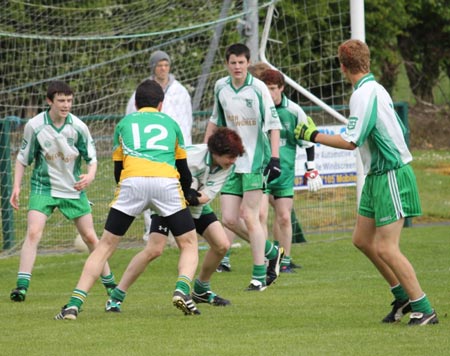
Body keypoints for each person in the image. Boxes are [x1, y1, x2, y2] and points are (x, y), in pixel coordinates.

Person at [294, 39, 438, 326]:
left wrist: (313, 135)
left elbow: (351, 141)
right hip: (377, 176)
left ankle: (424, 308)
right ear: (367, 61)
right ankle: (402, 296)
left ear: (342, 66)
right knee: (361, 240)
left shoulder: (365, 94)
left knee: (386, 248)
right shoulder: (372, 89)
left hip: (391, 174)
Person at [55, 79, 200, 320]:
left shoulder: (124, 123)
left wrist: (128, 195)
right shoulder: (172, 124)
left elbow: (117, 169)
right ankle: (182, 289)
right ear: (161, 104)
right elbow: (183, 170)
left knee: (105, 246)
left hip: (132, 182)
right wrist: (185, 193)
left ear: (135, 103)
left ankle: (73, 305)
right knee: (188, 243)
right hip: (166, 183)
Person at [104, 128, 245, 312]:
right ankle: (116, 297)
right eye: (230, 156)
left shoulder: (228, 167)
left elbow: (206, 196)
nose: (233, 161)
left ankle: (201, 288)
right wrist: (182, 193)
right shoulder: (192, 155)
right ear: (215, 152)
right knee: (154, 250)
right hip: (168, 203)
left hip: (194, 206)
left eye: (235, 156)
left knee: (222, 245)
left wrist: (192, 196)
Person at [9, 81, 116, 302]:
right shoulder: (35, 125)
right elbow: (22, 159)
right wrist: (17, 186)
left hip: (73, 188)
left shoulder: (78, 127)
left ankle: (110, 284)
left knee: (90, 237)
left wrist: (90, 175)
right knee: (33, 232)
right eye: (61, 101)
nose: (66, 105)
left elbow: (92, 159)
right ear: (50, 101)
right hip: (43, 187)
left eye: (69, 100)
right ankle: (21, 286)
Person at [204, 43, 284, 291]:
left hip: (255, 162)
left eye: (241, 62)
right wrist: (209, 151)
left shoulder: (258, 88)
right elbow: (215, 121)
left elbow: (273, 124)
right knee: (228, 219)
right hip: (230, 162)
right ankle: (272, 252)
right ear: (227, 64)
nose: (237, 66)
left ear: (248, 63)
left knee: (250, 216)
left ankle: (259, 276)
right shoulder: (220, 87)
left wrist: (275, 158)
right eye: (233, 62)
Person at [259, 68, 322, 273]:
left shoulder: (294, 111)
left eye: (273, 89)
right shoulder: (259, 110)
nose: (270, 93)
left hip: (284, 174)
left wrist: (311, 168)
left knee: (284, 216)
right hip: (261, 172)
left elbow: (309, 138)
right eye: (266, 89)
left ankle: (283, 261)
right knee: (259, 215)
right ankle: (261, 261)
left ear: (282, 88)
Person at [126, 50, 193, 242]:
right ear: (153, 67)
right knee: (149, 188)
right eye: (159, 65)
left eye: (166, 65)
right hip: (149, 151)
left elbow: (186, 121)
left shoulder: (180, 91)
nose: (163, 68)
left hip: (173, 149)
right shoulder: (142, 90)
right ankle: (151, 231)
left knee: (174, 188)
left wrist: (183, 147)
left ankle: (174, 232)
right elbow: (131, 118)